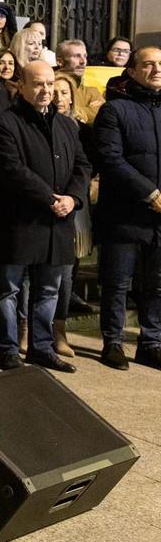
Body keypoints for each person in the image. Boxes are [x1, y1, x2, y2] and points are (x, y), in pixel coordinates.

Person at [0, 61, 91, 372]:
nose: (46, 91)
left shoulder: (68, 126)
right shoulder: (6, 123)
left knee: (49, 289)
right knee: (8, 289)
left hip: (58, 222)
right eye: (38, 84)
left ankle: (42, 347)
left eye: (50, 85)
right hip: (19, 221)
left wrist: (73, 198)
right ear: (22, 87)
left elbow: (83, 166)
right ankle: (8, 349)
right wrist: (50, 199)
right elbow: (12, 170)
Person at [92, 46, 161, 371]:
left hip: (159, 219)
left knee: (157, 283)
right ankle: (113, 343)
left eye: (160, 64)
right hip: (124, 214)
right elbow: (111, 159)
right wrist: (150, 193)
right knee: (118, 282)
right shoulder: (115, 110)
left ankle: (151, 343)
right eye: (148, 64)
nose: (156, 69)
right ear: (131, 71)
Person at [52, 70, 94, 357]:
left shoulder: (83, 129)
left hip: (74, 204)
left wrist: (74, 195)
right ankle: (29, 329)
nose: (58, 97)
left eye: (64, 92)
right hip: (47, 202)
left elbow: (87, 165)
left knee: (67, 273)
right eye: (53, 91)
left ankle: (59, 330)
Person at [56, 38, 104, 122]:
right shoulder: (51, 86)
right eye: (76, 56)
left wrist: (76, 112)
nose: (83, 61)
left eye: (85, 56)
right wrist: (88, 110)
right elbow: (58, 114)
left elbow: (104, 116)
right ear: (60, 61)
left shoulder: (92, 92)